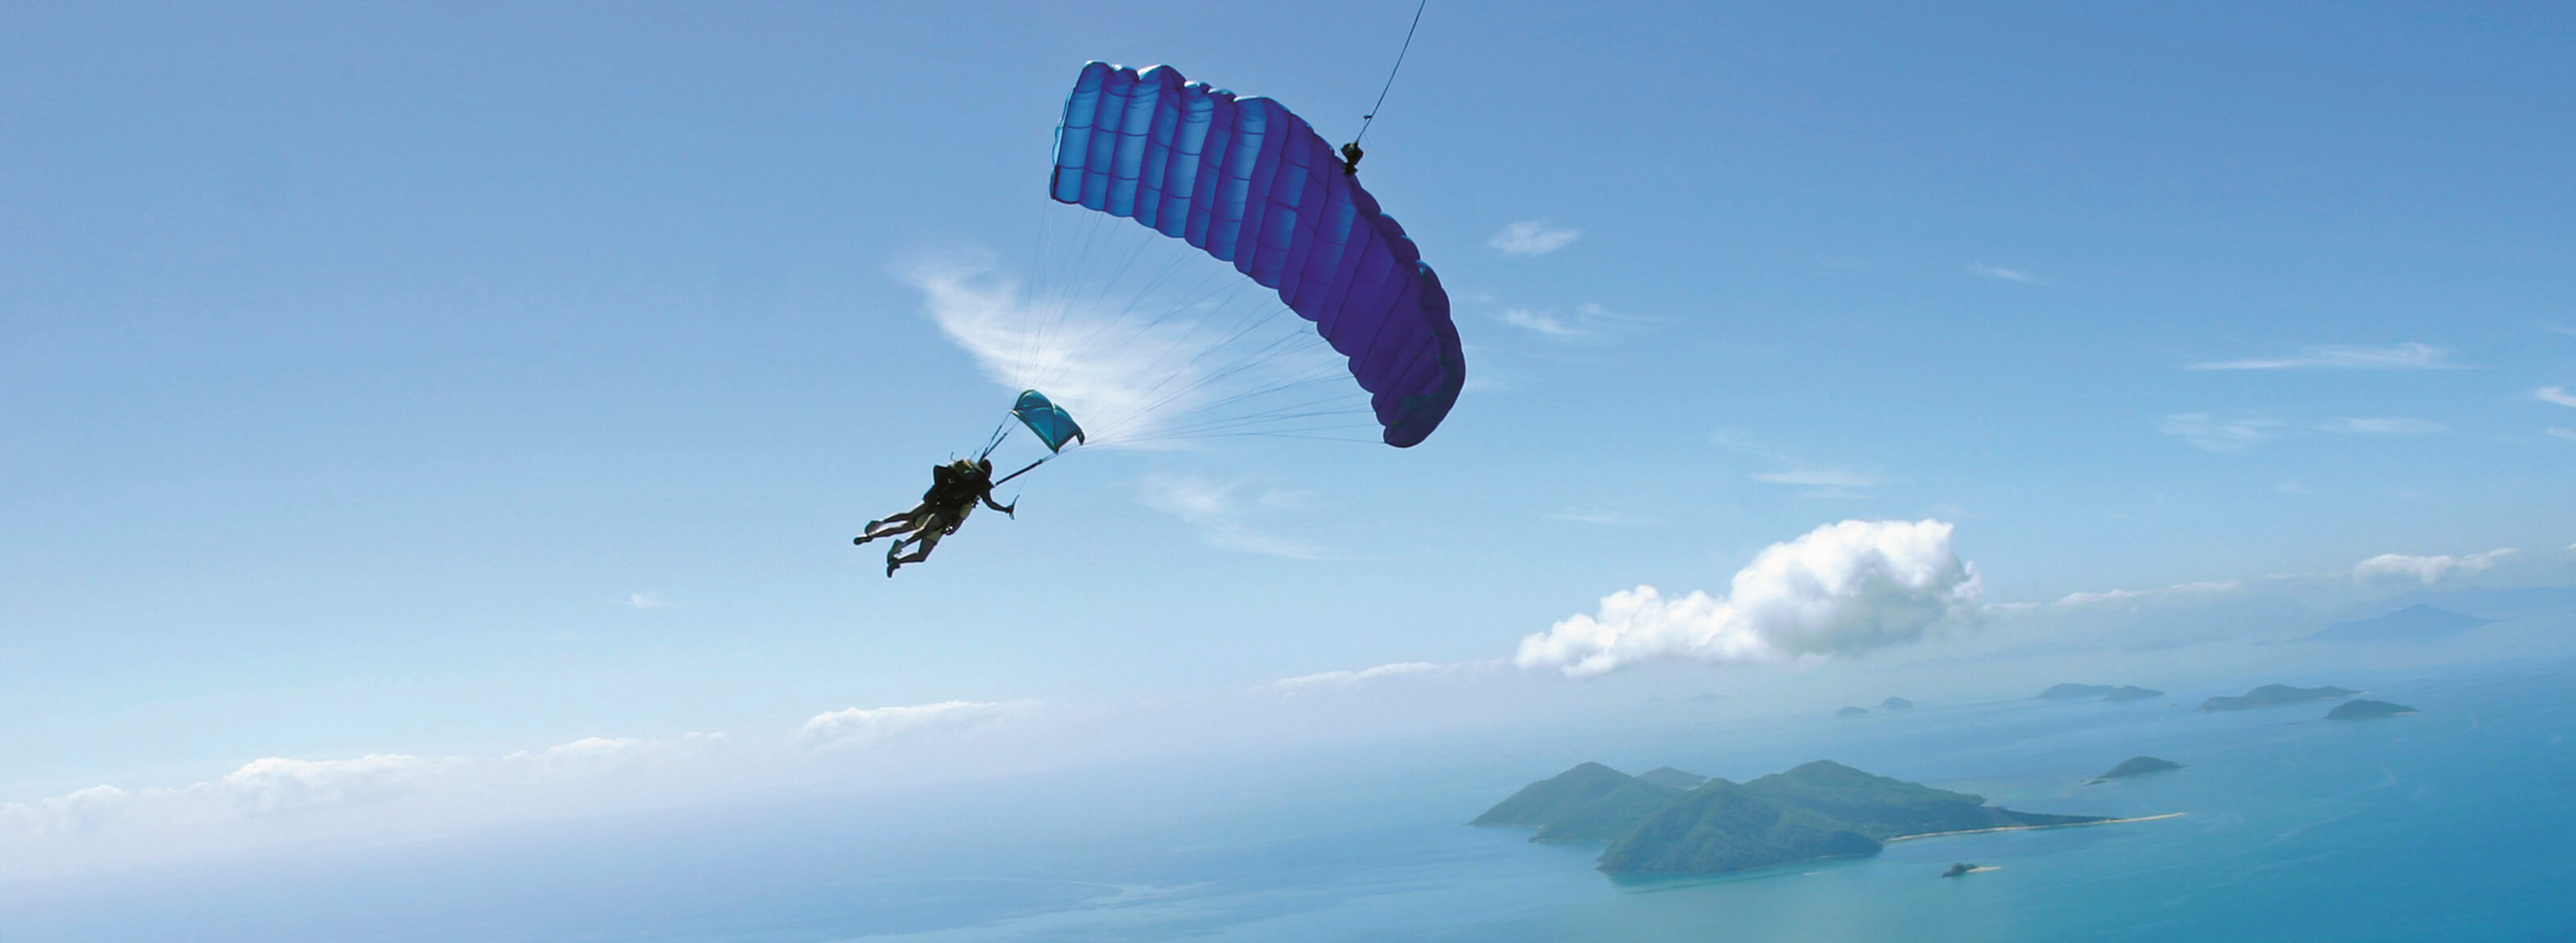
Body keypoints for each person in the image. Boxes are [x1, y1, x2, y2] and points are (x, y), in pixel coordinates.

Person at [854, 458, 1014, 576]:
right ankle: (902, 546)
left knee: (906, 520)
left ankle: (874, 531)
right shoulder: (980, 486)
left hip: (933, 501)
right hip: (944, 512)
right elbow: (987, 505)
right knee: (923, 541)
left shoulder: (962, 470)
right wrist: (1006, 509)